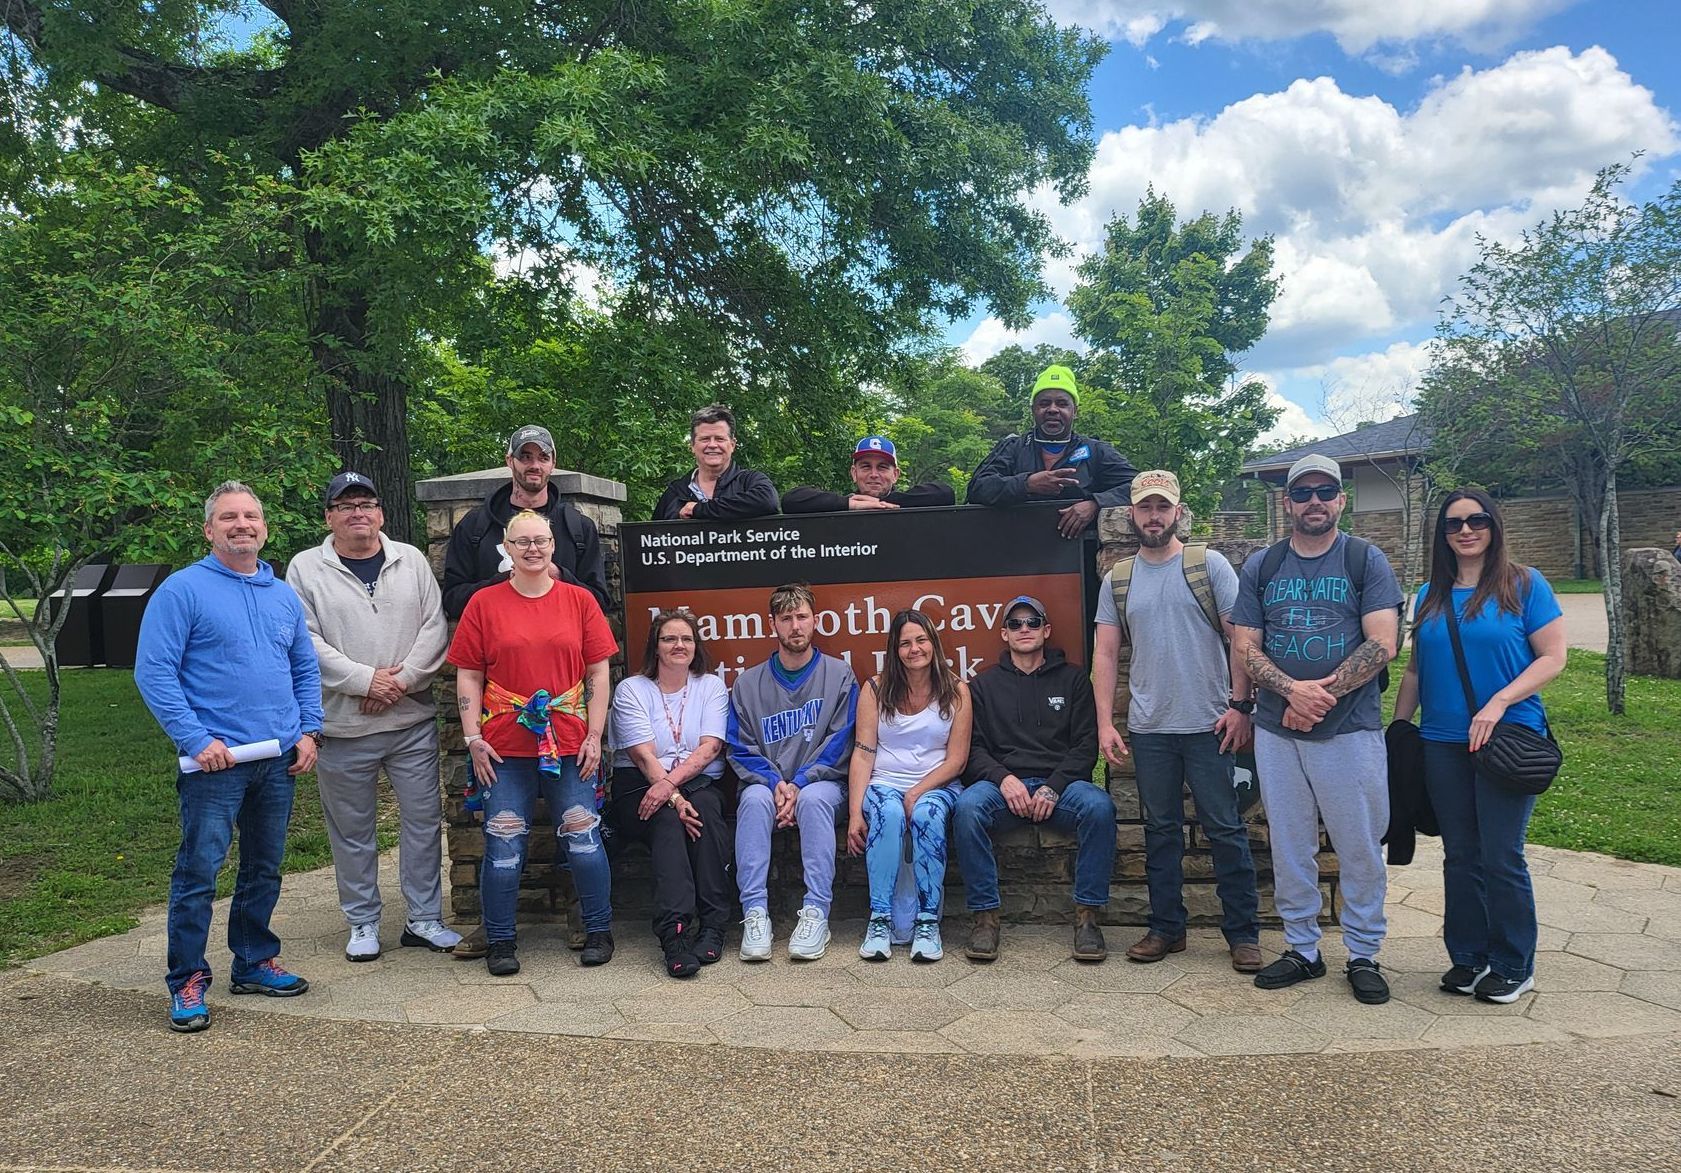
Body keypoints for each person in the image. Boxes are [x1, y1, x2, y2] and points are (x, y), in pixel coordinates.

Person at [135, 481, 322, 1033]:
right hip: (215, 764)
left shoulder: (281, 594)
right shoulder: (182, 591)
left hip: (278, 759)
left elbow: (303, 668)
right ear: (209, 530)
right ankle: (187, 979)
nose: (242, 525)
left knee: (264, 866)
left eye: (250, 516)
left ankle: (254, 960)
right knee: (199, 871)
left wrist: (309, 731)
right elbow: (154, 672)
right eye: (229, 517)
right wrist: (196, 739)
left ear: (264, 528)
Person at [1231, 454, 1403, 1005]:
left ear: (1341, 500)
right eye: (1302, 493)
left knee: (1359, 845)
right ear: (1287, 502)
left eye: (1325, 492)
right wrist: (1291, 692)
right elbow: (1245, 644)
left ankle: (1364, 953)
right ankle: (1302, 948)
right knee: (1290, 845)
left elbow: (1383, 643)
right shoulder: (1263, 565)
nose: (1314, 502)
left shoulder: (1364, 559)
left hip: (1349, 730)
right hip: (1278, 731)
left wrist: (1316, 698)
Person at [1393, 489, 1566, 1004]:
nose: (1465, 531)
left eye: (1476, 520)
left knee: (1501, 855)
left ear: (1494, 524)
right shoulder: (1430, 593)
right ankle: (1468, 957)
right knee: (1460, 854)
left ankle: (1513, 963)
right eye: (1453, 524)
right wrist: (1399, 728)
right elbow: (1416, 670)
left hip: (1506, 738)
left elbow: (1552, 657)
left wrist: (1499, 702)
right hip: (1441, 742)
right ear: (1442, 534)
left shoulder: (1524, 584)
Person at [1090, 470, 1262, 973]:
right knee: (1159, 831)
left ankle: (1243, 933)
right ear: (1132, 514)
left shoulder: (1209, 566)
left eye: (1162, 507)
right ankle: (1166, 927)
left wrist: (1241, 706)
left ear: (1178, 512)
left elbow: (1240, 639)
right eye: (1145, 507)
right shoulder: (1119, 578)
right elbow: (1105, 654)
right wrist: (1105, 723)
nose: (1154, 516)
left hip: (1211, 723)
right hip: (1150, 728)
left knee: (1225, 829)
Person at [286, 471, 459, 962]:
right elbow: (305, 641)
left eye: (365, 503)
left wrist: (398, 683)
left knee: (423, 823)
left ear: (380, 513)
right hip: (343, 726)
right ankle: (362, 921)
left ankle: (424, 918)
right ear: (329, 517)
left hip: (410, 722)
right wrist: (366, 681)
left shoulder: (411, 560)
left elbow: (434, 627)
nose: (357, 513)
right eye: (345, 506)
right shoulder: (305, 568)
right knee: (352, 831)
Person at [447, 509, 618, 977]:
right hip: (503, 745)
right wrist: (472, 737)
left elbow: (598, 671)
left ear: (553, 545)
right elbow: (469, 674)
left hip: (570, 741)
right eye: (522, 542)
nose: (533, 549)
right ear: (507, 548)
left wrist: (596, 735)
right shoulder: (483, 604)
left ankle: (598, 930)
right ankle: (501, 939)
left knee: (583, 837)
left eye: (540, 540)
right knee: (503, 842)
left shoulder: (579, 601)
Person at [953, 596, 1115, 962]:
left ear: (1046, 630)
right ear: (1004, 634)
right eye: (1015, 624)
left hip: (1062, 788)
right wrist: (1003, 779)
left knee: (1099, 807)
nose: (1024, 629)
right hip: (1004, 789)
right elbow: (972, 749)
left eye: (1032, 622)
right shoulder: (983, 686)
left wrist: (1053, 787)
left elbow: (1085, 747)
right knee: (967, 808)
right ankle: (985, 918)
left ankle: (1088, 918)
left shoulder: (1074, 680)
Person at [727, 582, 858, 961]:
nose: (795, 626)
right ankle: (755, 913)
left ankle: (816, 912)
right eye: (786, 618)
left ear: (815, 620)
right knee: (753, 801)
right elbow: (739, 746)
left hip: (822, 785)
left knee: (813, 801)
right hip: (767, 786)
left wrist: (799, 784)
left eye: (802, 617)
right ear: (772, 624)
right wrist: (776, 784)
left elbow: (842, 740)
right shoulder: (748, 683)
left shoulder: (839, 674)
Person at [608, 609, 733, 978]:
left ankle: (713, 926)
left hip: (698, 783)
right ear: (655, 646)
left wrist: (673, 788)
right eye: (669, 639)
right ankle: (674, 934)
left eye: (686, 639)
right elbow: (642, 755)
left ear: (696, 646)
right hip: (640, 786)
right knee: (667, 821)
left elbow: (710, 748)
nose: (679, 645)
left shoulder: (710, 687)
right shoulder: (632, 689)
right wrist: (673, 797)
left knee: (706, 811)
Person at [846, 610, 973, 962]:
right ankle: (880, 919)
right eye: (905, 643)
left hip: (937, 784)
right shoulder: (875, 689)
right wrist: (855, 813)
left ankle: (927, 922)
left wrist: (917, 792)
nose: (914, 649)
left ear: (933, 644)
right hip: (884, 782)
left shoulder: (957, 691)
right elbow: (863, 753)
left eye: (921, 640)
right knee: (887, 813)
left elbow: (957, 761)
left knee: (927, 814)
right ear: (894, 649)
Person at [442, 424, 609, 619]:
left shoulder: (578, 528)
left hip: (561, 637)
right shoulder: (475, 526)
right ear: (509, 461)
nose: (535, 465)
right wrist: (507, 581)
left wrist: (558, 575)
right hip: (497, 637)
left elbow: (599, 602)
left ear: (553, 463)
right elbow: (453, 601)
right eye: (525, 457)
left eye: (543, 457)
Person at [965, 364, 1137, 540]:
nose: (1053, 409)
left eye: (1062, 404)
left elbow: (1140, 485)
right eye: (1044, 403)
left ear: (1075, 411)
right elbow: (978, 488)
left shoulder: (1096, 451)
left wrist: (1096, 503)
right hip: (1014, 548)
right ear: (1033, 410)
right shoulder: (1013, 447)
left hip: (1080, 552)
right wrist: (1026, 484)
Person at [652, 403, 781, 521]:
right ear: (692, 445)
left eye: (719, 439)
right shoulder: (674, 493)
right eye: (705, 439)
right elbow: (652, 535)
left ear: (732, 444)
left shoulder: (750, 481)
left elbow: (768, 502)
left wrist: (698, 510)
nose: (712, 445)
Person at [782, 436, 956, 513]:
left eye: (882, 467)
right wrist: (848, 504)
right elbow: (791, 500)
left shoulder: (909, 505)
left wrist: (884, 504)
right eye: (866, 466)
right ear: (854, 473)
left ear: (895, 474)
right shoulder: (842, 506)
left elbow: (945, 493)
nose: (874, 474)